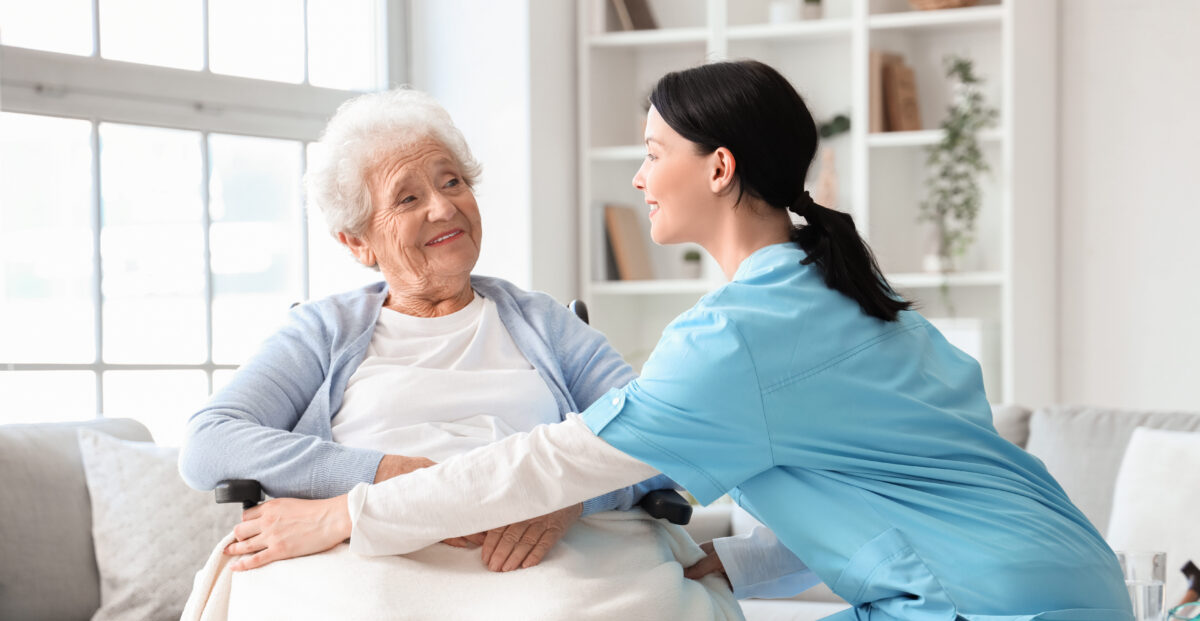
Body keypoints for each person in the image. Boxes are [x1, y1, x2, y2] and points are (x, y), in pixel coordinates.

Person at [224, 62, 1134, 620]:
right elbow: (889, 505)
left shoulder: (737, 336)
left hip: (990, 606)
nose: (639, 174)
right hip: (1067, 582)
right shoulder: (859, 298)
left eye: (654, 150)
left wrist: (346, 511)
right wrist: (724, 557)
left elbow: (560, 459)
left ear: (720, 167)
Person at [178, 88, 742, 621]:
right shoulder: (322, 330)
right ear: (356, 241)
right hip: (371, 556)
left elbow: (660, 440)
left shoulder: (545, 322)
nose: (444, 208)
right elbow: (209, 442)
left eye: (452, 183)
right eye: (408, 197)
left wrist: (569, 494)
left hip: (542, 554)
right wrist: (389, 476)